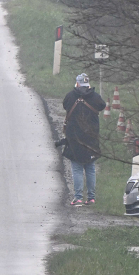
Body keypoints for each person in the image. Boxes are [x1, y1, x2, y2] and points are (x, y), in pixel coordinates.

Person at [60, 73, 105, 206]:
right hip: (91, 137)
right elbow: (102, 106)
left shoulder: (70, 96)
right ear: (88, 84)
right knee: (90, 167)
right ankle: (91, 198)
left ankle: (78, 197)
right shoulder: (95, 97)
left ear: (77, 83)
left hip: (74, 137)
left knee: (77, 167)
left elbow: (65, 106)